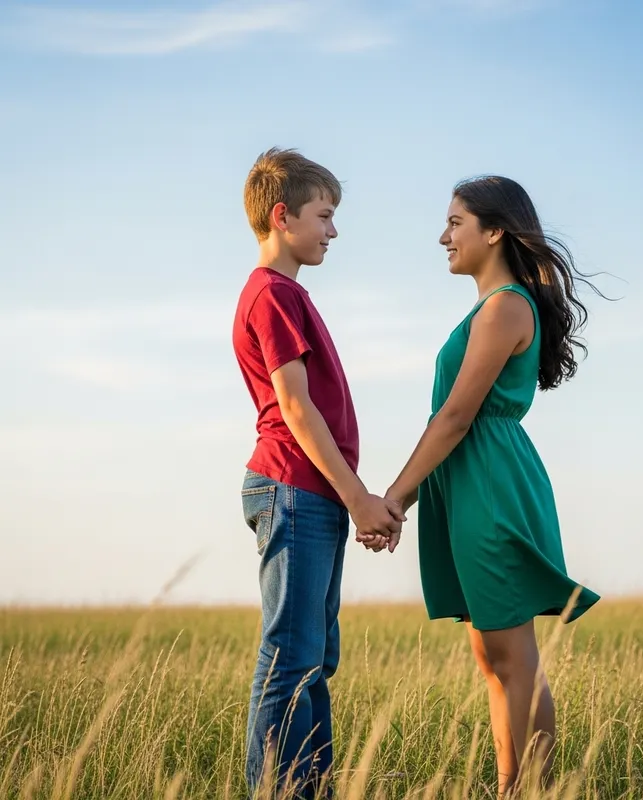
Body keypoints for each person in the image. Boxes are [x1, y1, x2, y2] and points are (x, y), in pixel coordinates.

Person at [358, 175, 601, 795]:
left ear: (494, 231)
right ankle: (509, 788)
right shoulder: (492, 306)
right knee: (492, 659)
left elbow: (456, 416)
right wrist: (405, 500)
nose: (443, 236)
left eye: (455, 223)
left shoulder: (506, 307)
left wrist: (391, 498)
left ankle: (534, 792)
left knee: (513, 657)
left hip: (488, 483)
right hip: (467, 482)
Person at [233, 147, 405, 798]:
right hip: (294, 488)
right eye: (324, 215)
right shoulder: (273, 294)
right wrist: (358, 498)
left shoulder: (286, 295)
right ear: (283, 217)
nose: (333, 231)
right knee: (289, 658)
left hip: (309, 493)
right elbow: (295, 407)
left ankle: (311, 790)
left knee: (312, 661)